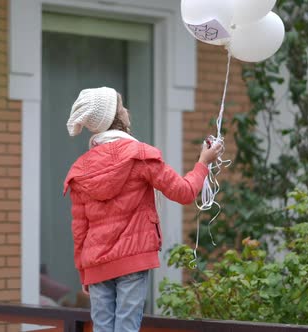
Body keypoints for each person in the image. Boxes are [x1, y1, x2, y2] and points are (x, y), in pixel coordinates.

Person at [63, 87, 221, 332]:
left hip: (96, 265)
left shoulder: (80, 169)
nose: (127, 111)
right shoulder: (141, 156)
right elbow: (184, 192)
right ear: (115, 118)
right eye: (121, 107)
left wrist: (84, 272)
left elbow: (79, 229)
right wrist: (203, 163)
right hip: (132, 260)